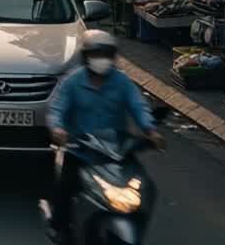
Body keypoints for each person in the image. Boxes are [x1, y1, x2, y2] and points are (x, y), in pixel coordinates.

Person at [45, 31, 163, 243]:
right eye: (98, 54)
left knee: (146, 187)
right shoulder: (72, 82)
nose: (103, 59)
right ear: (87, 56)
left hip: (116, 151)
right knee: (65, 186)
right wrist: (58, 129)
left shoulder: (122, 82)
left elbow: (139, 106)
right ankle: (59, 227)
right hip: (80, 150)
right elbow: (57, 109)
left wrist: (151, 130)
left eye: (107, 54)